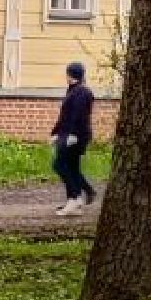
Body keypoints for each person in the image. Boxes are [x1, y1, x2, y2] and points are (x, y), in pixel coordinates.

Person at [52, 62, 97, 216]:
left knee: (60, 164)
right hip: (68, 134)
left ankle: (75, 198)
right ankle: (75, 201)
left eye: (67, 73)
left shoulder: (83, 92)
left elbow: (79, 116)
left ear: (70, 74)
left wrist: (73, 135)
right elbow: (64, 115)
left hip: (76, 136)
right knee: (71, 167)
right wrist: (56, 132)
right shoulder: (73, 90)